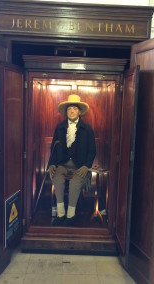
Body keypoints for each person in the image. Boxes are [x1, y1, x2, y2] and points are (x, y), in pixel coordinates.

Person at [48, 94, 96, 226]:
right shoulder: (60, 127)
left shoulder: (87, 129)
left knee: (75, 184)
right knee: (57, 179)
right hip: (62, 164)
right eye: (69, 109)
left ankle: (70, 216)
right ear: (66, 112)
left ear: (79, 111)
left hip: (80, 165)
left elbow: (92, 151)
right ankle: (61, 214)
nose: (72, 111)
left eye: (75, 108)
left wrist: (86, 166)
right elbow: (54, 146)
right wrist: (51, 164)